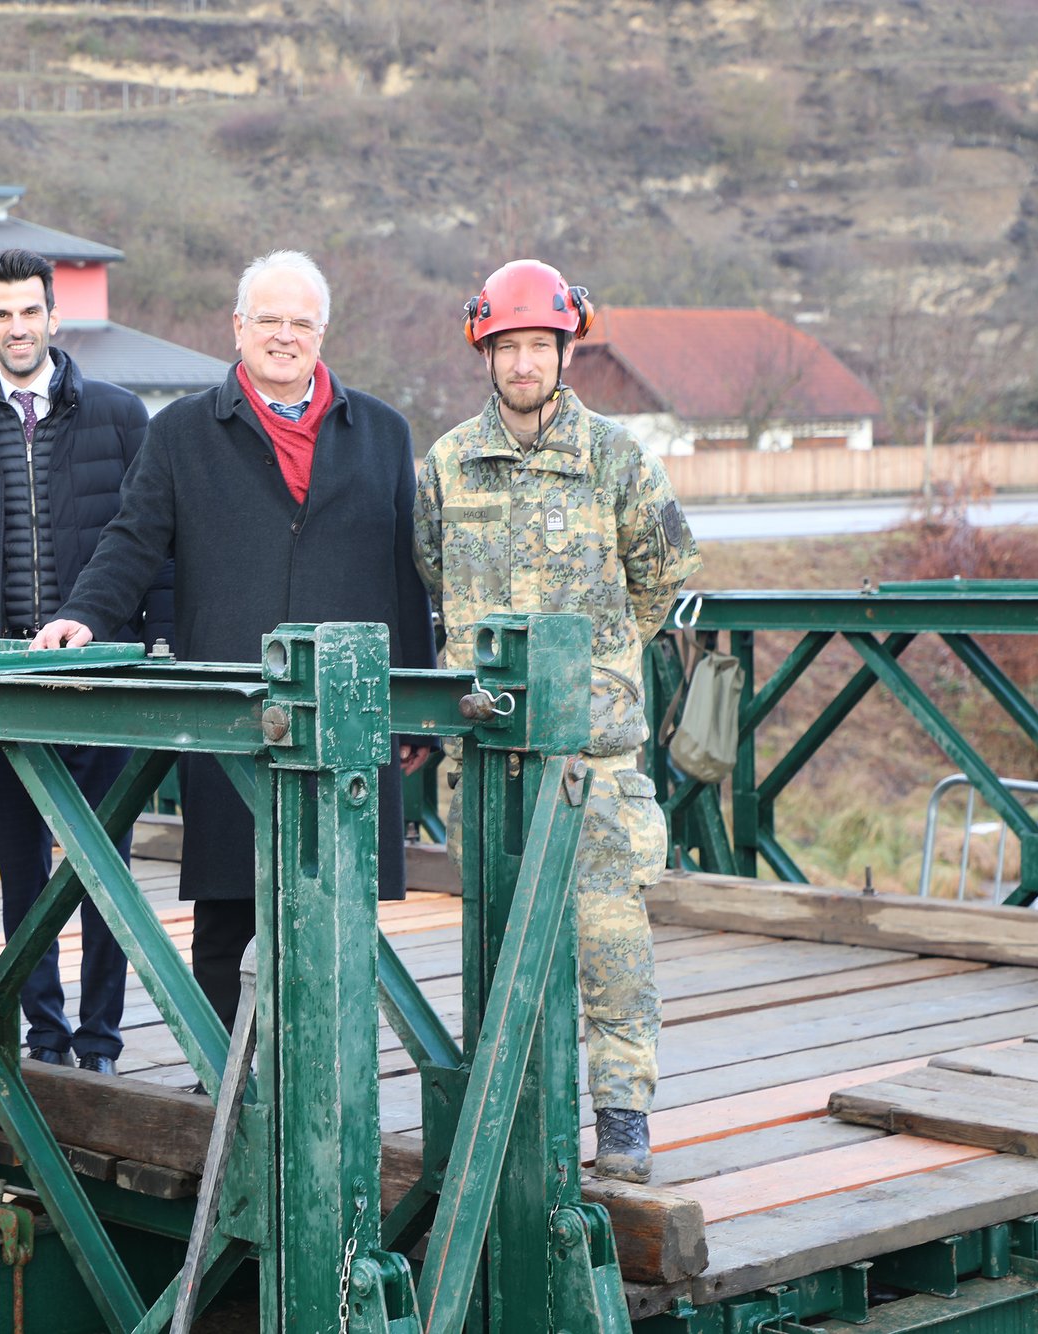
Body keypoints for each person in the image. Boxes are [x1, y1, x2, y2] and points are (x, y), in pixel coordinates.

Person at [31, 250, 435, 1034]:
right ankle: (230, 1093)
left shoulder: (382, 431)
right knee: (228, 918)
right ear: (239, 326)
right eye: (269, 320)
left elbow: (403, 575)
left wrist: (413, 704)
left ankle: (334, 1090)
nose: (284, 336)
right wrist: (87, 615)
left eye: (301, 323)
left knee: (343, 914)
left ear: (323, 333)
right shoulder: (183, 431)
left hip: (346, 716)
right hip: (235, 715)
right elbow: (132, 540)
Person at [414, 259, 702, 1182]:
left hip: (593, 750)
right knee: (499, 944)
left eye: (540, 345)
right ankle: (513, 1113)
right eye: (510, 347)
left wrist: (607, 666)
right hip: (488, 745)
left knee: (611, 933)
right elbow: (432, 573)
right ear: (484, 351)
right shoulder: (448, 465)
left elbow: (661, 572)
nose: (525, 362)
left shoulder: (617, 457)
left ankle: (623, 1112)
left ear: (565, 348)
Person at [0, 248, 169, 1074]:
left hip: (99, 687)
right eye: (1, 314)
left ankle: (99, 1044)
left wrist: (157, 652)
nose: (17, 328)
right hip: (6, 694)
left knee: (105, 881)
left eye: (31, 312)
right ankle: (44, 1038)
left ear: (54, 316)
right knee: (21, 880)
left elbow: (154, 546)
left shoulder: (122, 417)